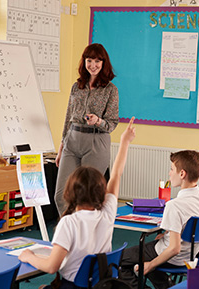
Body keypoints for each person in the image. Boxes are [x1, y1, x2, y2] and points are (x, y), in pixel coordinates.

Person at [19, 117, 136, 289]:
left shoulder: (68, 222)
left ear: (70, 193)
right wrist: (125, 141)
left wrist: (28, 256)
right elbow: (117, 174)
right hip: (100, 285)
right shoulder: (108, 211)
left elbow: (52, 267)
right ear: (100, 191)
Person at [119, 150, 199, 289]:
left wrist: (150, 265)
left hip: (172, 257)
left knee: (119, 259)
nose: (169, 173)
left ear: (182, 174)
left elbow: (174, 248)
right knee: (152, 248)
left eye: (172, 169)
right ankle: (166, 285)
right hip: (191, 254)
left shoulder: (174, 206)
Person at [54, 43, 119, 215]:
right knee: (61, 195)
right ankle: (69, 234)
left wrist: (98, 121)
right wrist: (61, 147)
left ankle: (88, 235)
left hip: (96, 143)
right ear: (84, 62)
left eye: (98, 61)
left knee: (89, 198)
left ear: (104, 63)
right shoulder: (77, 86)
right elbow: (68, 117)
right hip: (72, 140)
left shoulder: (110, 90)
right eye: (89, 60)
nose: (93, 65)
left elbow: (112, 123)